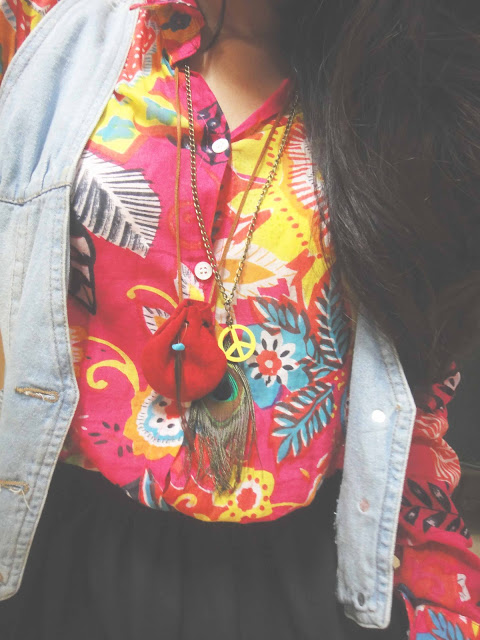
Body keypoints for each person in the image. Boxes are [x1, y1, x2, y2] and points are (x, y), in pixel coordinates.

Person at [0, 0, 479, 638]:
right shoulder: (46, 25)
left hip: (299, 577)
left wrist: (446, 610)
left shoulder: (406, 88)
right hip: (57, 548)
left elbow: (418, 398)